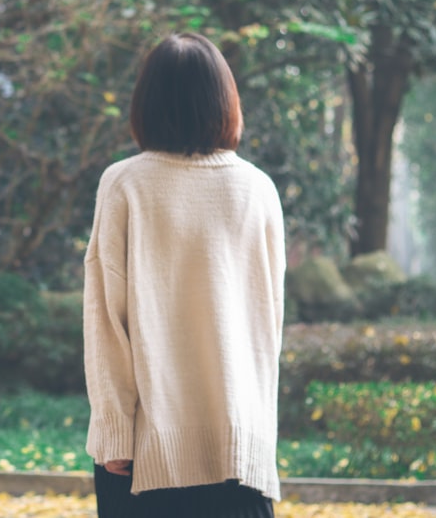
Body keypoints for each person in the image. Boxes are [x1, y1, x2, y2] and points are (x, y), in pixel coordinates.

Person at [83, 32, 286, 518]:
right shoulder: (259, 189)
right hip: (238, 450)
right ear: (226, 102)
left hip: (143, 457)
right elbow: (267, 326)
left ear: (146, 104)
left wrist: (114, 432)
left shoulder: (125, 183)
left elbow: (106, 320)